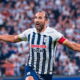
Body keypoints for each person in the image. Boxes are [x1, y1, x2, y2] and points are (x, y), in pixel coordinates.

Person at [0, 11, 80, 80]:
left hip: (47, 73)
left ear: (46, 21)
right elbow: (14, 38)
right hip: (32, 68)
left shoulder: (53, 34)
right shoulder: (29, 33)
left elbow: (71, 45)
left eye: (40, 18)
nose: (37, 20)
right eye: (35, 18)